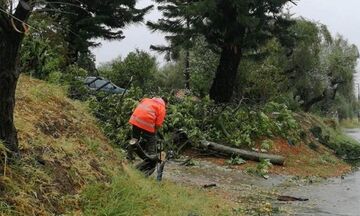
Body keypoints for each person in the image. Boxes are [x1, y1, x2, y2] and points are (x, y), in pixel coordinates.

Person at [128, 97, 167, 176]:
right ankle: (151, 157)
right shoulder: (162, 107)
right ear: (165, 103)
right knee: (152, 139)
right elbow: (158, 124)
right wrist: (154, 132)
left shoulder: (146, 100)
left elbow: (137, 107)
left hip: (135, 119)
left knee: (134, 140)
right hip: (146, 122)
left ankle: (129, 157)